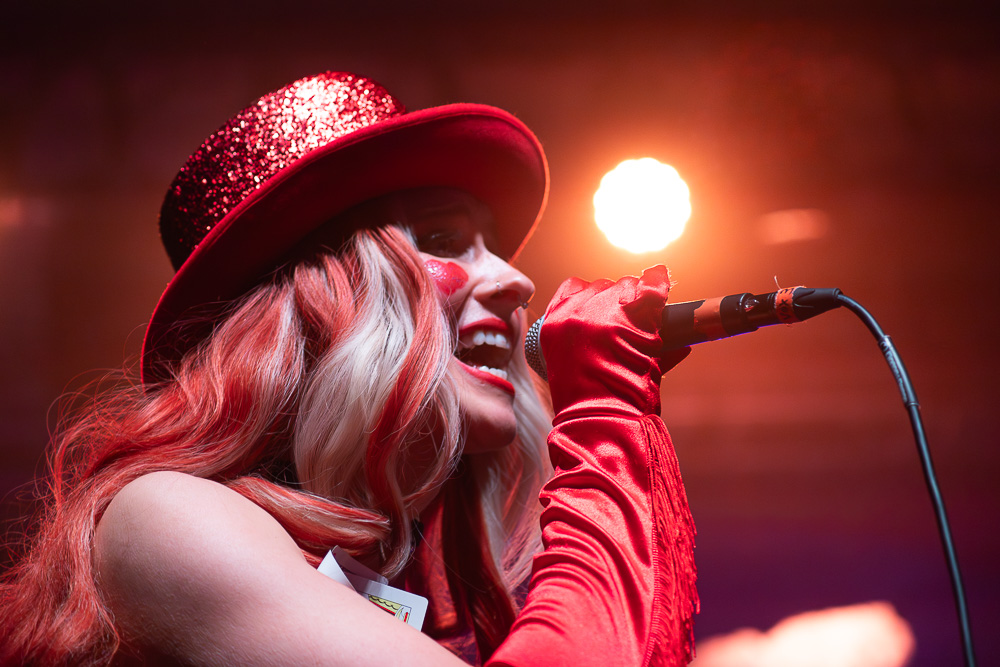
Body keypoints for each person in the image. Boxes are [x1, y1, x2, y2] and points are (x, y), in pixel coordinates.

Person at [0, 72, 698, 666]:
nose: (518, 281)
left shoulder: (410, 580)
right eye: (445, 238)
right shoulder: (164, 517)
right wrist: (605, 417)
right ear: (310, 306)